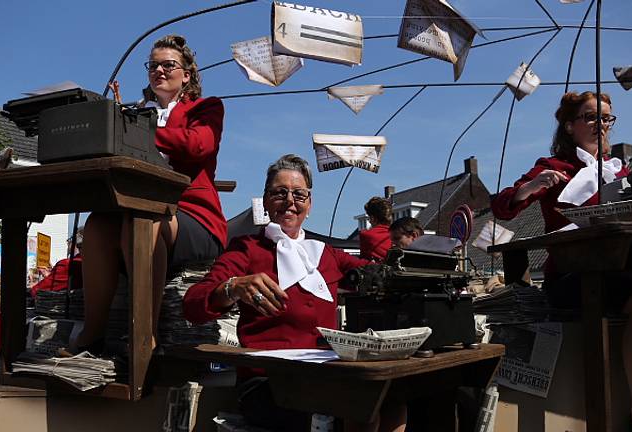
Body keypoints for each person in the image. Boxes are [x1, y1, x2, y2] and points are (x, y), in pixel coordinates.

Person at [184, 154, 406, 432]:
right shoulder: (246, 249)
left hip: (327, 375)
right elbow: (192, 304)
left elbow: (381, 275)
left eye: (299, 195)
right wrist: (233, 287)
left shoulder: (327, 254)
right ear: (266, 201)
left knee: (396, 400)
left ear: (309, 204)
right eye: (280, 193)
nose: (290, 201)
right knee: (360, 407)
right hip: (268, 382)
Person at [492, 91, 632, 432]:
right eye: (590, 117)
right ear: (570, 126)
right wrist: (531, 187)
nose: (600, 125)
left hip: (620, 269)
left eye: (606, 118)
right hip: (572, 277)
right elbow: (502, 206)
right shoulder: (552, 167)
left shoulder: (619, 169)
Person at [73, 34, 227, 353]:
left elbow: (200, 145)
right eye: (153, 65)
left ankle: (144, 332)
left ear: (186, 74)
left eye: (168, 64)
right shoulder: (140, 115)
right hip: (140, 209)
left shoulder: (206, 108)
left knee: (145, 220)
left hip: (194, 217)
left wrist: (142, 129)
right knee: (98, 225)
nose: (159, 70)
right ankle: (94, 331)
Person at [30, 231, 84, 298]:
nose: (68, 242)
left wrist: (33, 286)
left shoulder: (67, 265)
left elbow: (37, 291)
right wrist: (51, 275)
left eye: (70, 239)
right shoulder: (92, 264)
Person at [359, 197, 393, 261]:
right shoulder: (399, 234)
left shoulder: (365, 234)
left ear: (373, 218)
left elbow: (363, 261)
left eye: (369, 218)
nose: (369, 221)